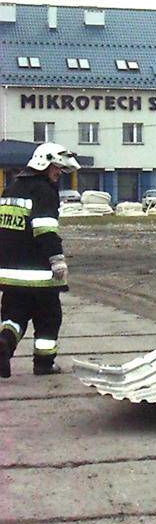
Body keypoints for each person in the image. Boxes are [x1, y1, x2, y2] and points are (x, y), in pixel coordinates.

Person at [0, 142, 80, 377]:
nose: (58, 174)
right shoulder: (44, 191)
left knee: (13, 315)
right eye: (56, 168)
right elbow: (45, 229)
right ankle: (44, 364)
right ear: (44, 164)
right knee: (49, 317)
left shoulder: (12, 187)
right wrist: (57, 259)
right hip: (38, 271)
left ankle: (4, 343)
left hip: (9, 272)